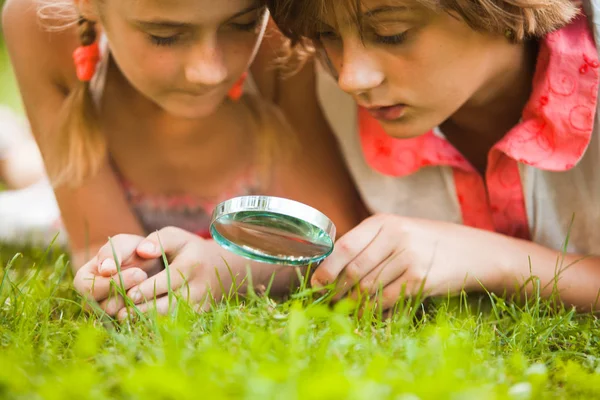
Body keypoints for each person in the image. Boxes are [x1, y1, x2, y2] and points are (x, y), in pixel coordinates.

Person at [93, 0, 600, 316]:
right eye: (329, 36)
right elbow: (329, 241)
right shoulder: (326, 84)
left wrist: (488, 258)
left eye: (393, 33)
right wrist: (218, 266)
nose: (352, 76)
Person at [1, 0, 363, 316]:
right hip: (60, 201)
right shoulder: (39, 24)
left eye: (241, 24)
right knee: (31, 185)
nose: (209, 71)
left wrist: (226, 269)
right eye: (165, 35)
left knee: (31, 180)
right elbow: (95, 240)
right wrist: (119, 268)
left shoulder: (278, 29)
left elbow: (331, 236)